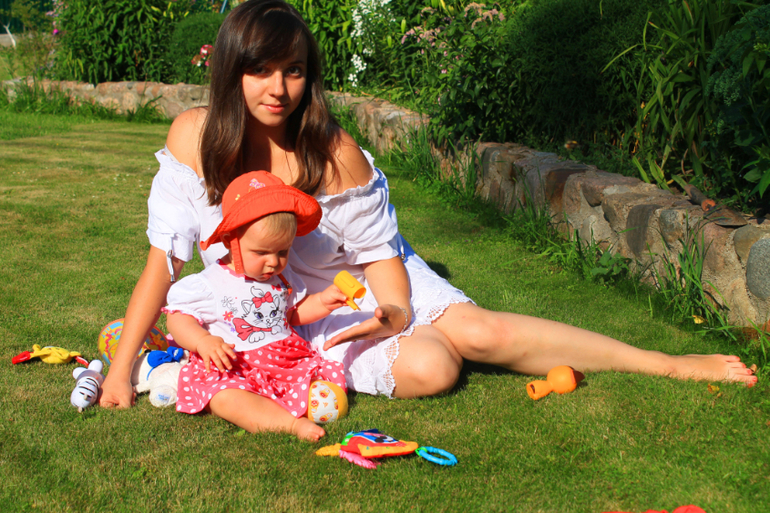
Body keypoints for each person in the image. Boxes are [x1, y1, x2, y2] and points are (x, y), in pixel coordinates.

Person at [99, 0, 756, 410]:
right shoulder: (193, 140)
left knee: (482, 333)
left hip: (360, 281)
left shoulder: (335, 153)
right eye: (260, 69)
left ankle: (666, 363)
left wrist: (390, 314)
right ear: (230, 70)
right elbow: (164, 263)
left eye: (293, 70)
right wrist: (120, 373)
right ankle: (407, 345)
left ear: (308, 77)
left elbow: (383, 271)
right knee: (434, 368)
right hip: (283, 306)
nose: (278, 88)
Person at [163, 170, 348, 441]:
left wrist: (323, 302)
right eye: (261, 252)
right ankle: (290, 424)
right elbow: (178, 318)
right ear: (230, 241)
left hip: (285, 364)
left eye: (282, 252)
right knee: (225, 398)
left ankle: (291, 400)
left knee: (322, 386)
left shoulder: (281, 277)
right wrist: (203, 341)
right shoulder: (210, 283)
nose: (273, 262)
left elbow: (291, 314)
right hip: (236, 366)